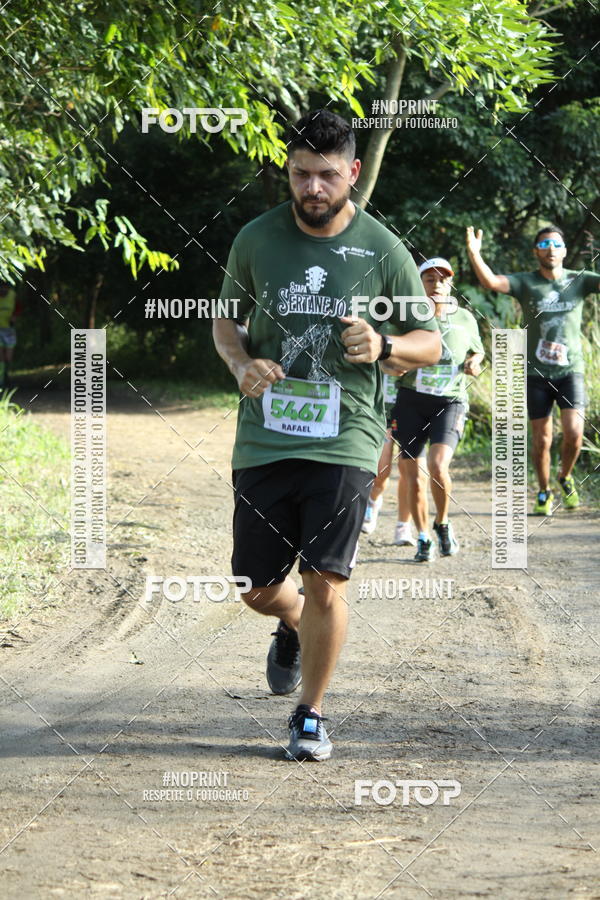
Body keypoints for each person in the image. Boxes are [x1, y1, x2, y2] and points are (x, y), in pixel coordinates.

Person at [213, 109, 440, 761]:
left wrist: (387, 341)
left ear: (353, 172)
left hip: (347, 436)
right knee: (257, 585)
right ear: (288, 171)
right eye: (301, 174)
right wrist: (240, 363)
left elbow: (428, 341)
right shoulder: (255, 239)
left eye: (326, 176)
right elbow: (225, 323)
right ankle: (290, 626)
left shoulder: (381, 248)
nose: (313, 188)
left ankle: (309, 714)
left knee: (324, 581)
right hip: (264, 436)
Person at [466, 225, 600, 515]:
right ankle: (543, 490)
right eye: (545, 244)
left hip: (570, 371)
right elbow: (490, 282)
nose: (551, 248)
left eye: (556, 244)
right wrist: (475, 254)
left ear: (564, 251)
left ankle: (564, 476)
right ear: (536, 251)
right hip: (536, 374)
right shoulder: (526, 283)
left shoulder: (580, 280)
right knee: (542, 439)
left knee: (574, 434)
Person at [392, 257, 484, 562]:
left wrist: (474, 363)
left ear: (451, 284)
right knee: (411, 474)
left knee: (437, 466)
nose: (436, 285)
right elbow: (389, 355)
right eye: (429, 280)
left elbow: (478, 352)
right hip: (411, 401)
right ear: (420, 285)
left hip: (450, 401)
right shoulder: (407, 318)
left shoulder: (465, 319)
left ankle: (442, 523)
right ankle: (422, 537)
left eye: (442, 279)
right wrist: (394, 365)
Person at [360, 369, 415, 547]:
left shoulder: (414, 342)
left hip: (410, 410)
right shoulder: (379, 341)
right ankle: (373, 501)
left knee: (409, 472)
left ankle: (403, 527)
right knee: (381, 471)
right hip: (380, 412)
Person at [0, 282, 17, 389]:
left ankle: (6, 374)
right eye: (1, 288)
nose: (3, 290)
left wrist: (14, 317)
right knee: (0, 357)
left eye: (5, 288)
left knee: (8, 357)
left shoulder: (13, 295)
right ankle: (1, 381)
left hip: (9, 330)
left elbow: (19, 308)